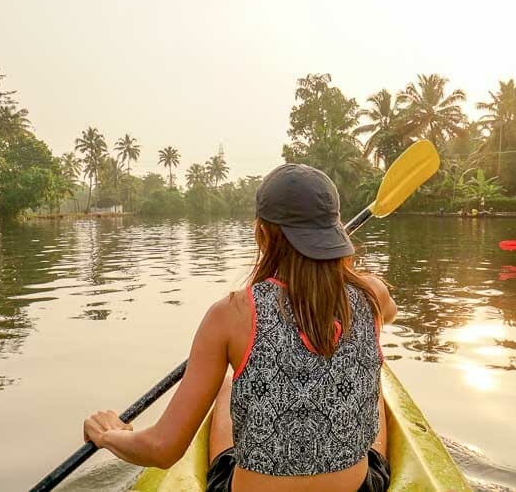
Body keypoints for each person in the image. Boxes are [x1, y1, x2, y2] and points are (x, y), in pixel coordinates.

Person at [82, 163, 398, 491]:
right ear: (334, 234)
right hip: (358, 488)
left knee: (227, 384)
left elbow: (162, 450)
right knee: (377, 387)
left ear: (261, 235)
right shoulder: (372, 294)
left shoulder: (229, 315)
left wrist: (110, 435)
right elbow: (388, 315)